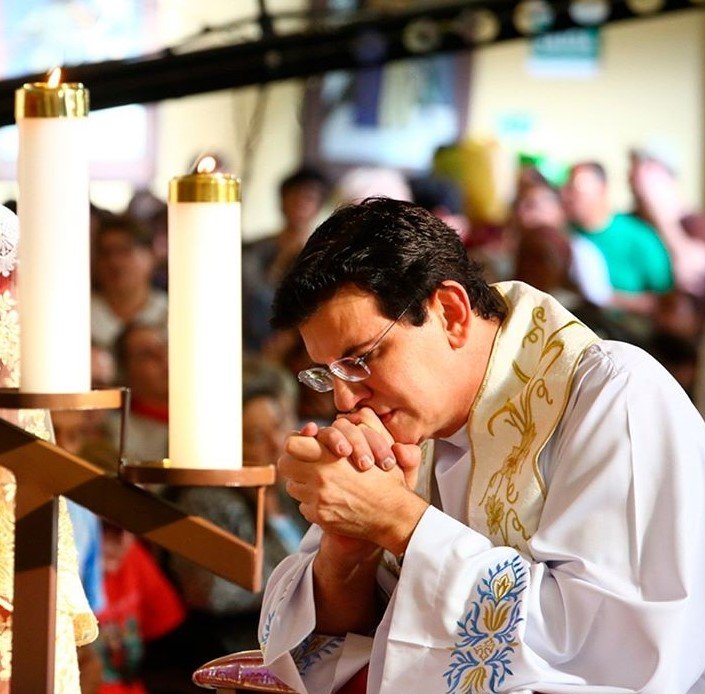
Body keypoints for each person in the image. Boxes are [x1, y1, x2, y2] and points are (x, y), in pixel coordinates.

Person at [258, 197, 705, 693]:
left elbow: (619, 650)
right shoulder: (405, 425)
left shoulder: (612, 394)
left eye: (362, 359)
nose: (345, 397)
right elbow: (336, 647)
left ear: (450, 312)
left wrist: (399, 522)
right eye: (330, 374)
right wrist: (350, 548)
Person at [563, 161, 673, 315]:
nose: (566, 195)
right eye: (565, 187)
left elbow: (666, 300)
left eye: (574, 188)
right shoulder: (563, 234)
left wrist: (606, 297)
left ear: (602, 188)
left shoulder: (638, 237)